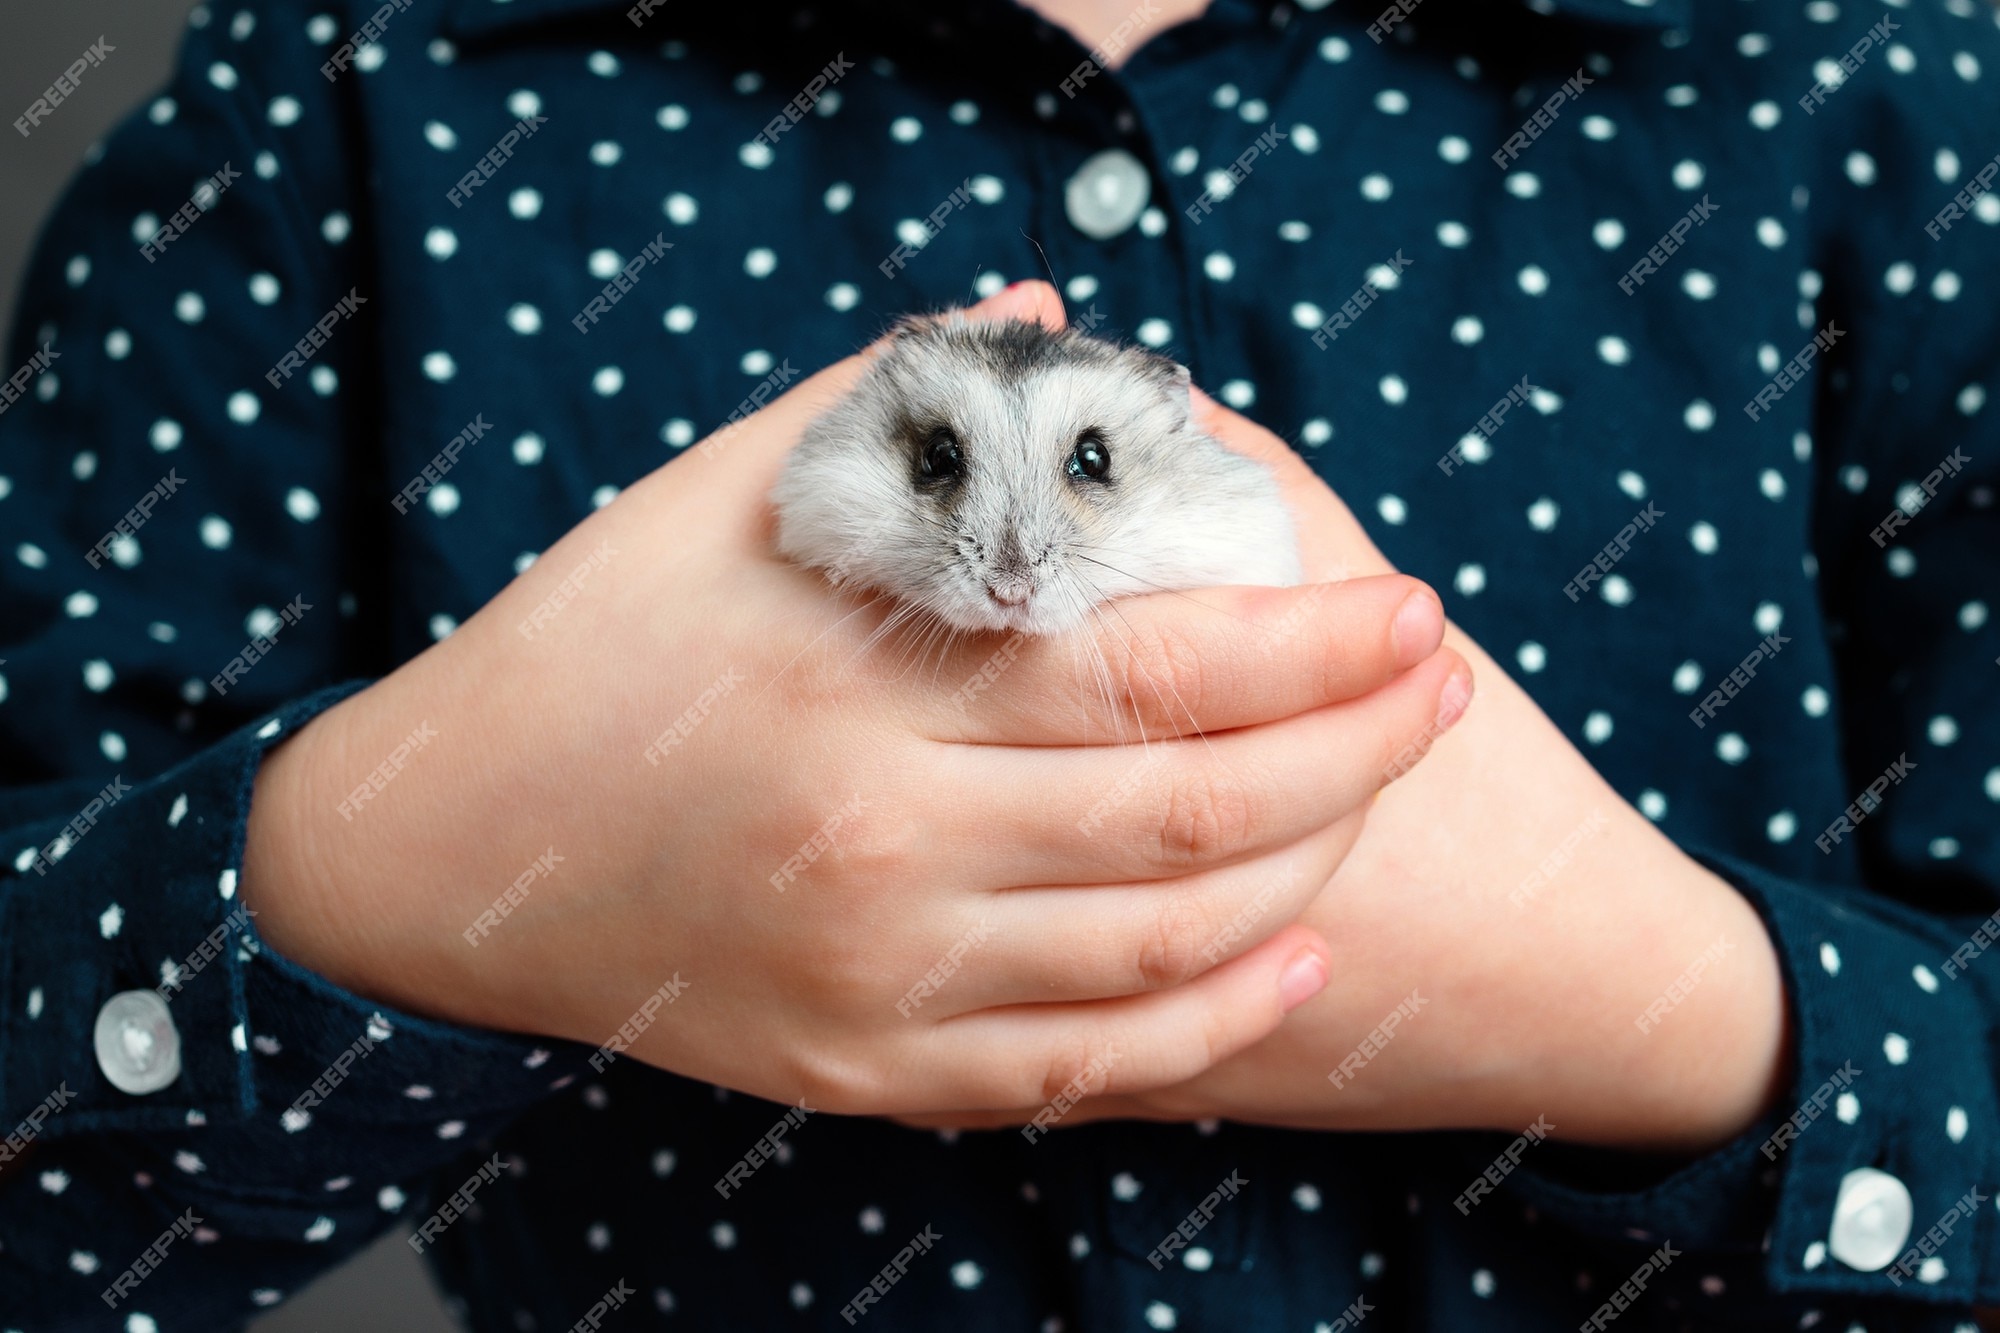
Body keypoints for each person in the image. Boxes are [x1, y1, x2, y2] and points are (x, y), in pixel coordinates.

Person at [0, 0, 1994, 1327]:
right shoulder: (345, 86)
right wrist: (412, 865)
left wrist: (1651, 1001)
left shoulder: (1872, 86)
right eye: (948, 470)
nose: (1014, 554)